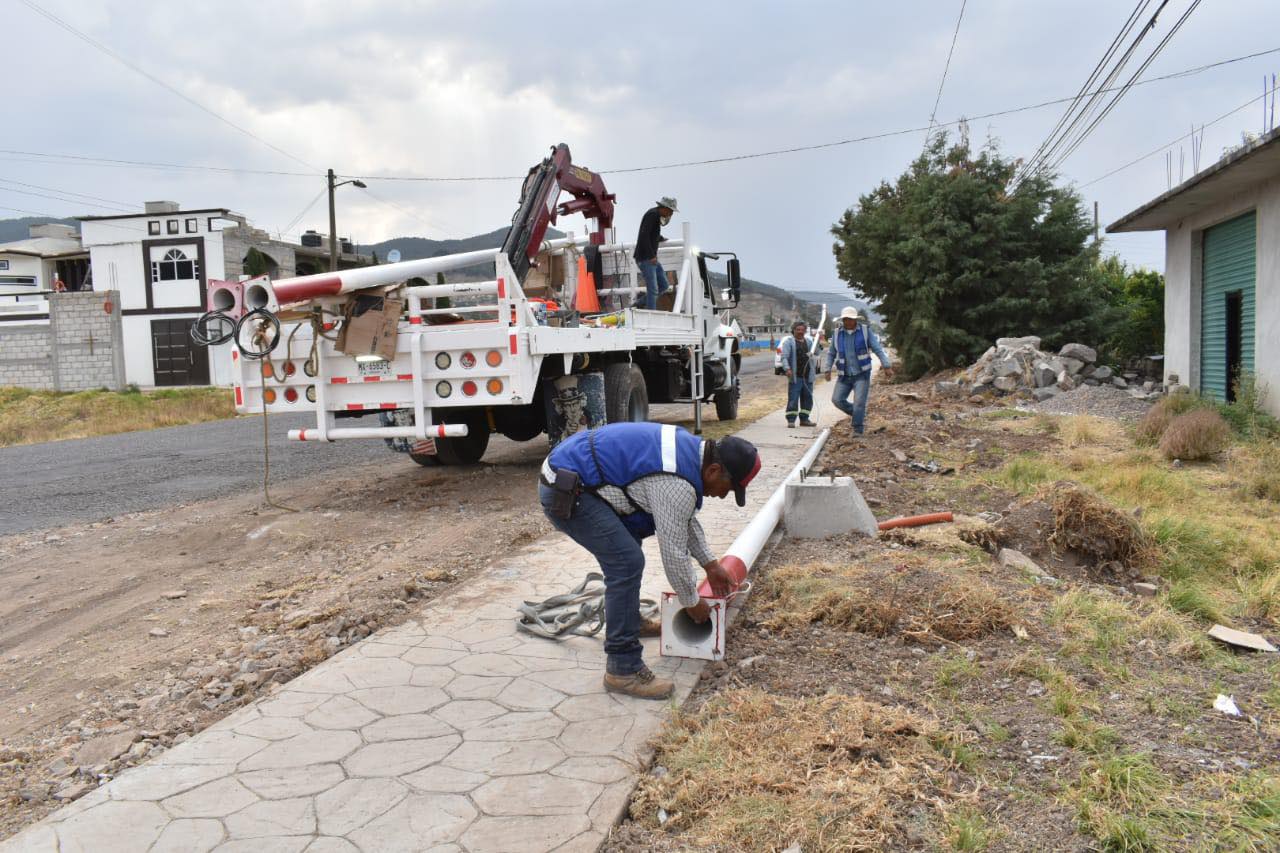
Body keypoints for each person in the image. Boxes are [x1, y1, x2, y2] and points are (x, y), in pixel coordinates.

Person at [538, 423, 761, 699]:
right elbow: (674, 552)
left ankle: (629, 621)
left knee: (627, 547)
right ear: (713, 470)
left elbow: (683, 519)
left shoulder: (689, 456)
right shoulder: (676, 482)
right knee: (626, 562)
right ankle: (623, 668)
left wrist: (711, 565)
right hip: (566, 488)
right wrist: (691, 602)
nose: (722, 495)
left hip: (579, 478)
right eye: (727, 488)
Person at [824, 306, 893, 435]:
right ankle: (858, 414)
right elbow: (831, 353)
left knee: (859, 402)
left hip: (862, 374)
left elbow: (878, 349)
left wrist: (886, 365)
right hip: (844, 375)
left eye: (850, 319)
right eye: (845, 319)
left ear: (855, 320)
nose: (847, 322)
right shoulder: (837, 333)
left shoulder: (865, 331)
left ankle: (857, 429)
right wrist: (827, 369)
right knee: (837, 400)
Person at [633, 196, 677, 309]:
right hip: (646, 258)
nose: (671, 214)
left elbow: (650, 233)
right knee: (653, 289)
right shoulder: (652, 215)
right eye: (671, 211)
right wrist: (651, 255)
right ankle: (651, 314)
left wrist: (659, 238)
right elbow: (644, 235)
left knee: (664, 285)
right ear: (665, 208)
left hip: (650, 258)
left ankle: (639, 304)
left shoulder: (655, 215)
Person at [780, 321, 817, 428]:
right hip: (795, 377)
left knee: (807, 399)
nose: (800, 332)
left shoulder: (809, 342)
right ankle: (791, 420)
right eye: (798, 329)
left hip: (807, 377)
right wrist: (787, 369)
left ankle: (804, 419)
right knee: (793, 398)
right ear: (793, 330)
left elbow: (817, 352)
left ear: (805, 331)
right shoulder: (788, 342)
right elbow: (784, 357)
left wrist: (817, 341)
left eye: (802, 330)